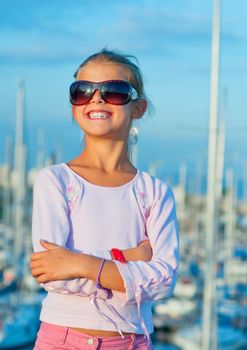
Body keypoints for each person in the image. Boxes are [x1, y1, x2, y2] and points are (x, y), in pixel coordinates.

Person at [29, 49, 179, 349]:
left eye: (114, 91)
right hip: (63, 340)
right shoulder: (56, 181)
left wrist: (81, 263)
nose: (96, 99)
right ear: (74, 108)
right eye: (82, 91)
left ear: (138, 107)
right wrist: (131, 260)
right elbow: (54, 275)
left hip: (132, 342)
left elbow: (163, 281)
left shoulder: (155, 192)